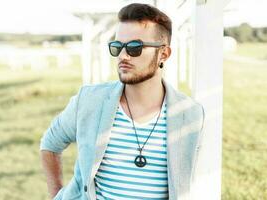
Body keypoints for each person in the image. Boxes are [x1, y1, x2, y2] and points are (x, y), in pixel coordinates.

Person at [40, 3, 205, 200]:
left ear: (164, 53)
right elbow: (50, 143)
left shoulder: (190, 114)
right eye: (117, 47)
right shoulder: (89, 101)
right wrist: (56, 195)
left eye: (135, 48)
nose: (123, 56)